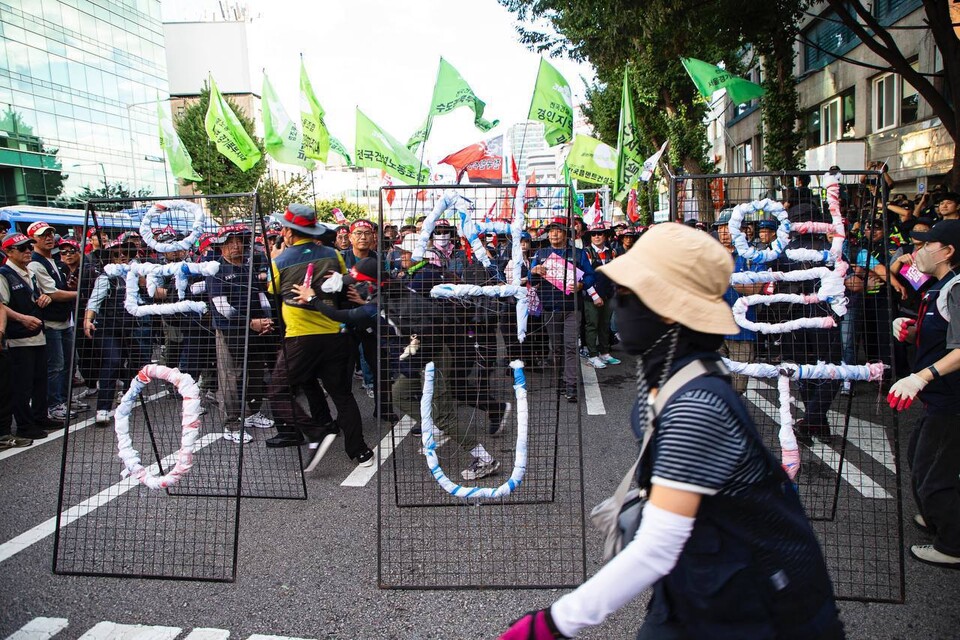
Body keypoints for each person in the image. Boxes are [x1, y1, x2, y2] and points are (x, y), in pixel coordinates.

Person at [499, 222, 843, 640]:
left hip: (759, 610)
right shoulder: (668, 367)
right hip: (703, 578)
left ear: (665, 308)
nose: (617, 304)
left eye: (627, 294)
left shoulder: (697, 403)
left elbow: (659, 545)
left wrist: (551, 625)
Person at [265, 204, 374, 467]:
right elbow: (345, 282)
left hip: (301, 337)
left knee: (277, 391)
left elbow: (272, 290)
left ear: (289, 232)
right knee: (342, 395)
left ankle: (317, 431)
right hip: (335, 333)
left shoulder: (279, 261)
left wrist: (274, 256)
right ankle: (359, 450)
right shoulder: (333, 253)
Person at [887, 219, 960, 569]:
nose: (919, 251)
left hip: (951, 400)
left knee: (934, 472)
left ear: (948, 251)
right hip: (939, 399)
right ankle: (937, 519)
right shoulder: (938, 287)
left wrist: (921, 377)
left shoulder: (956, 287)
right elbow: (940, 337)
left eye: (928, 245)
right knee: (920, 457)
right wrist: (912, 331)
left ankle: (953, 542)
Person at [207, 223, 276, 445]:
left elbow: (261, 295)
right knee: (231, 377)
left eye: (239, 241)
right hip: (230, 332)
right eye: (230, 242)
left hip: (257, 330)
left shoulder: (248, 266)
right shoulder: (215, 269)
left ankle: (252, 412)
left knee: (255, 371)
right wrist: (250, 323)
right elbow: (221, 307)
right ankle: (232, 423)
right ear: (221, 246)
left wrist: (267, 318)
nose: (237, 246)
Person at [530, 217, 598, 402]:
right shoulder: (541, 253)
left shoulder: (577, 253)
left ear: (566, 234)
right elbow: (531, 280)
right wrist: (534, 271)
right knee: (556, 348)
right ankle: (559, 381)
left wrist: (582, 285)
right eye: (551, 230)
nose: (554, 234)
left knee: (570, 346)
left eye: (558, 230)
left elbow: (591, 276)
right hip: (550, 308)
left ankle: (571, 385)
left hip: (571, 308)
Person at [0, 233, 60, 440]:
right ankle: (25, 425)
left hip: (37, 334)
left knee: (39, 380)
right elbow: (1, 306)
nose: (28, 251)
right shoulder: (4, 274)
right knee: (22, 385)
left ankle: (40, 416)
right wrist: (22, 318)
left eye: (29, 247)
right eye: (22, 248)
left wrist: (43, 298)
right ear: (8, 252)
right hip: (18, 338)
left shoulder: (30, 273)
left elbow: (38, 296)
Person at [26, 221, 80, 422]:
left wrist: (70, 288)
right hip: (50, 322)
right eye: (42, 235)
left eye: (50, 233)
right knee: (55, 365)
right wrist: (80, 293)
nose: (48, 238)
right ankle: (53, 404)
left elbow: (59, 288)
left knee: (67, 364)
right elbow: (52, 293)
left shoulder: (55, 261)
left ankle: (63, 400)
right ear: (34, 239)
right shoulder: (35, 262)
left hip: (64, 320)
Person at [581, 224, 620, 369]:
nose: (597, 236)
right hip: (591, 295)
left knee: (605, 324)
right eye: (594, 234)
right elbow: (584, 276)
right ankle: (592, 355)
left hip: (608, 293)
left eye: (600, 234)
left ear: (605, 236)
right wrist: (594, 295)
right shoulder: (586, 253)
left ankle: (604, 352)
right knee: (592, 325)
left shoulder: (612, 252)